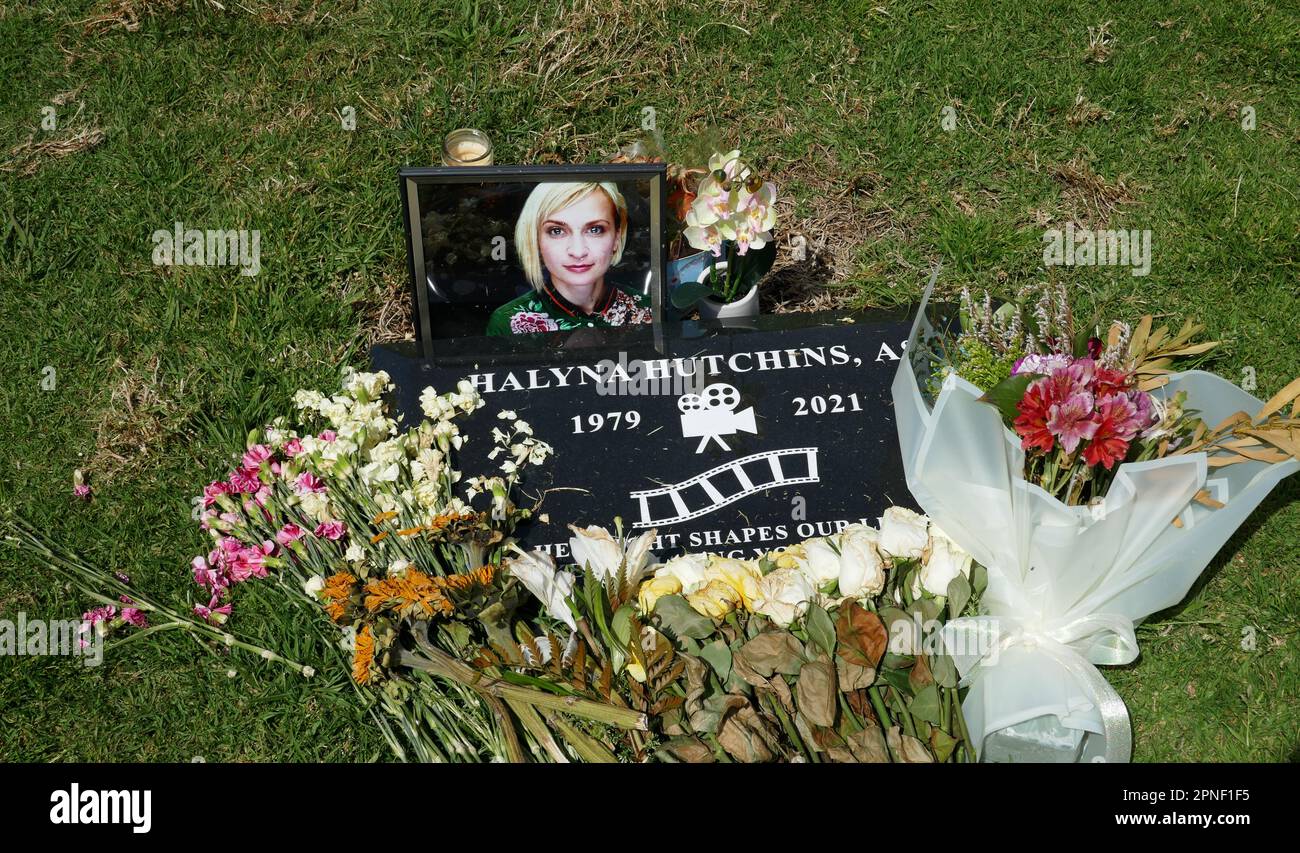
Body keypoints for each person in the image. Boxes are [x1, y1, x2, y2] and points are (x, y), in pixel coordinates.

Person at [486, 181, 653, 336]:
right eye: (556, 231)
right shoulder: (507, 323)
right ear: (536, 239)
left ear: (617, 237)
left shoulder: (647, 309)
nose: (578, 251)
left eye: (595, 229)